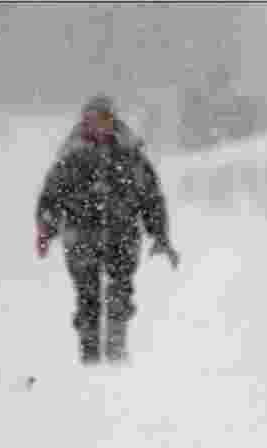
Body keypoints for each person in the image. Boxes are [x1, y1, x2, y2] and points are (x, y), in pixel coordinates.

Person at [35, 95, 180, 364]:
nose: (99, 126)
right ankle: (89, 356)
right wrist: (46, 228)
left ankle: (116, 352)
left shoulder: (130, 156)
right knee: (87, 297)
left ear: (113, 122)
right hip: (81, 236)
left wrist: (159, 234)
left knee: (120, 292)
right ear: (84, 123)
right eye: (92, 120)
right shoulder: (72, 158)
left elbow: (151, 198)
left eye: (104, 119)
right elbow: (51, 196)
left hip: (122, 236)